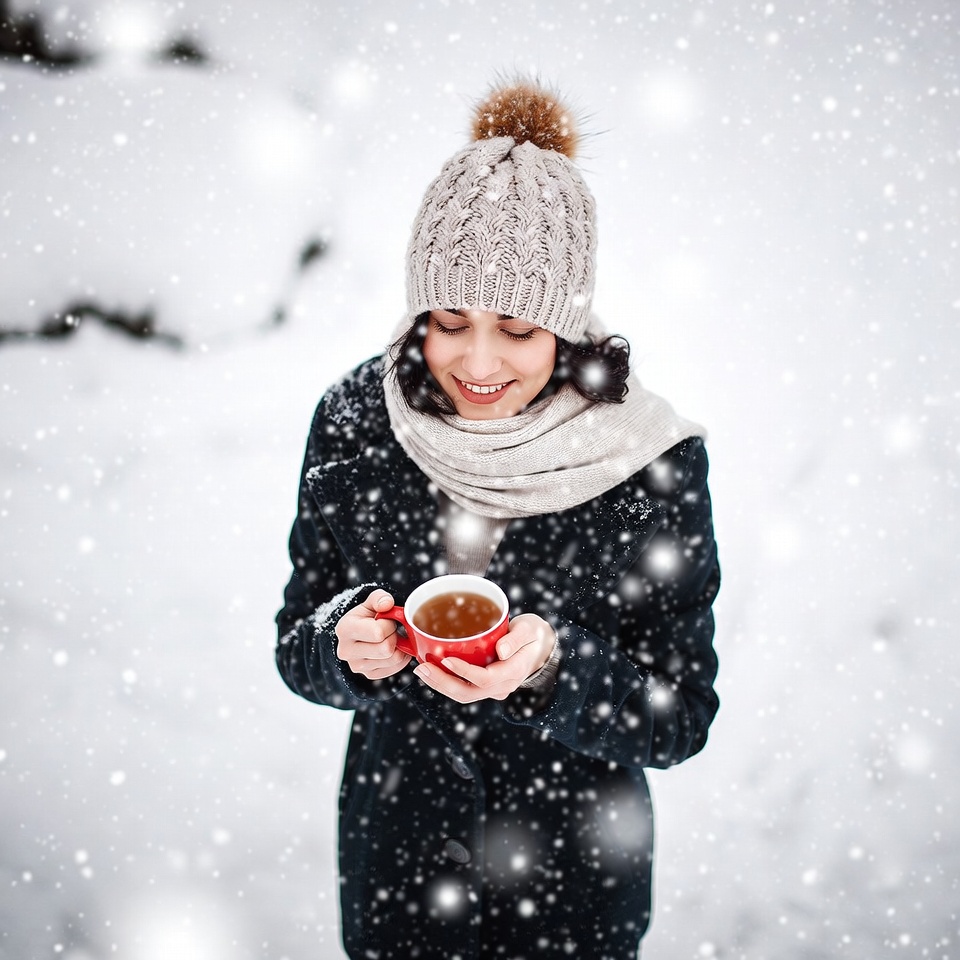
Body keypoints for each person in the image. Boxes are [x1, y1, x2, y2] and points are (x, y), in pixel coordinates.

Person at [276, 78, 720, 960]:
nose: (476, 362)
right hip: (398, 877)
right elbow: (300, 641)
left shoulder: (645, 460)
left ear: (567, 322)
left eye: (517, 327)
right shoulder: (359, 423)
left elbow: (680, 713)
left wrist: (559, 670)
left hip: (574, 895)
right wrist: (341, 648)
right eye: (447, 320)